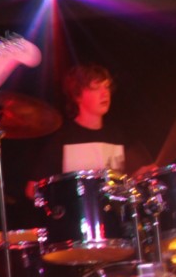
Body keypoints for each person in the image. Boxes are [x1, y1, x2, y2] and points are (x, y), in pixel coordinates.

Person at [26, 63, 154, 196]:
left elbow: (131, 182)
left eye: (106, 87)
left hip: (116, 208)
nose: (105, 93)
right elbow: (32, 189)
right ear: (77, 95)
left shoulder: (119, 136)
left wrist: (142, 176)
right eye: (96, 88)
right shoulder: (62, 138)